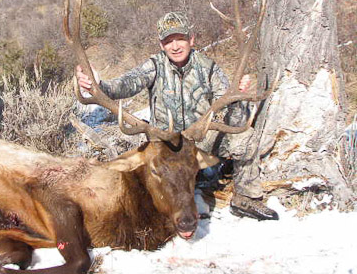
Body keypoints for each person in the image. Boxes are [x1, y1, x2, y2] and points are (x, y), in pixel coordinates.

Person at [76, 12, 278, 221]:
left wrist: (236, 95)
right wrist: (98, 85)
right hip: (166, 146)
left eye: (180, 38)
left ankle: (245, 198)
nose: (175, 46)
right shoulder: (154, 66)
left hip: (199, 142)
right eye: (168, 41)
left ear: (191, 39)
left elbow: (225, 102)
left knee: (242, 132)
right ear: (161, 44)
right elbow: (126, 84)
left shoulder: (208, 68)